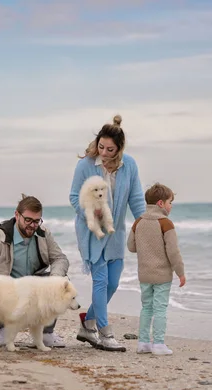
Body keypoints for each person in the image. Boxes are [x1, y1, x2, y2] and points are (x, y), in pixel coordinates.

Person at [69, 114, 146, 351]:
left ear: (119, 149)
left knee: (112, 283)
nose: (104, 152)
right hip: (91, 232)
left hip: (115, 233)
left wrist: (145, 224)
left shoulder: (129, 165)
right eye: (101, 146)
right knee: (100, 282)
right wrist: (90, 212)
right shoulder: (85, 165)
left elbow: (136, 199)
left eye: (110, 149)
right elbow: (74, 197)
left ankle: (88, 323)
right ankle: (105, 332)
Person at [0, 194, 70, 348]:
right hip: (8, 292)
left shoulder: (43, 234)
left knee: (61, 282)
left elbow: (60, 259)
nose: (32, 225)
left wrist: (54, 279)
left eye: (37, 221)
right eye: (28, 220)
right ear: (17, 215)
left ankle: (46, 333)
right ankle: (0, 329)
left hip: (33, 291)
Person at [127, 183, 186, 355]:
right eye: (170, 202)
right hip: (162, 275)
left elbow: (131, 246)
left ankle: (143, 343)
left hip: (144, 274)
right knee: (160, 308)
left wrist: (146, 246)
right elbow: (173, 252)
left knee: (146, 307)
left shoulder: (138, 222)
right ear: (160, 204)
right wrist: (180, 273)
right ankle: (159, 344)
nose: (171, 206)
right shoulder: (165, 223)